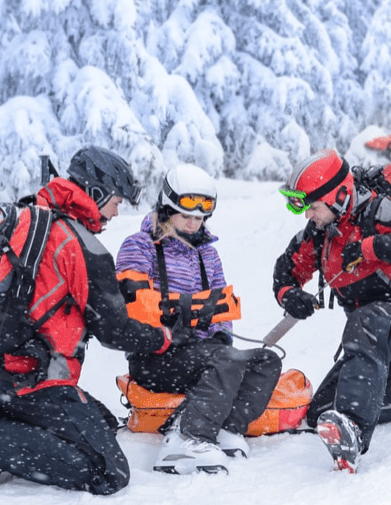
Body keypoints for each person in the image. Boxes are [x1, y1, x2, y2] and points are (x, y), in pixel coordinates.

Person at [0, 146, 193, 501]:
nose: (117, 210)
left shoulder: (37, 219)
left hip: (1, 374)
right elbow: (114, 331)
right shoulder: (79, 244)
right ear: (95, 193)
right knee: (109, 472)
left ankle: (1, 416)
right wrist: (165, 337)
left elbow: (54, 299)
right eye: (116, 200)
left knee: (105, 423)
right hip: (34, 382)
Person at [273, 148, 391, 472]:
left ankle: (351, 431)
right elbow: (286, 267)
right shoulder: (321, 231)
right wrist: (289, 293)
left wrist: (370, 247)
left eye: (313, 206)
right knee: (320, 412)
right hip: (377, 342)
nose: (308, 214)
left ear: (337, 195)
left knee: (367, 322)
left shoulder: (383, 211)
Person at [116, 164, 282, 475]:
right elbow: (131, 304)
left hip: (201, 354)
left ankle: (224, 427)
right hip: (154, 356)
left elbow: (221, 307)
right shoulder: (139, 246)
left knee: (265, 361)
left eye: (200, 217)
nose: (194, 223)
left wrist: (219, 335)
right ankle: (187, 439)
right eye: (186, 215)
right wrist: (184, 312)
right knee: (227, 360)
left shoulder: (208, 254)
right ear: (167, 210)